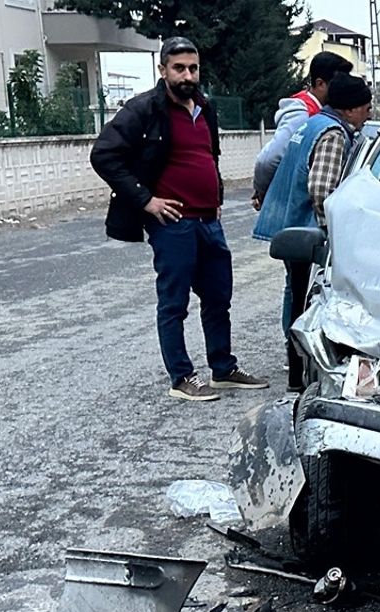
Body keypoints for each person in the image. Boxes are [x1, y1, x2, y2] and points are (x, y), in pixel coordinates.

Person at [91, 37, 268, 401]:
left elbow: (210, 156)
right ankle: (181, 377)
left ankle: (223, 369)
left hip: (208, 221)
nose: (188, 75)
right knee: (174, 302)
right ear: (163, 70)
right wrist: (146, 201)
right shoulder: (144, 110)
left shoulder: (205, 108)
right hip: (173, 224)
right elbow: (104, 154)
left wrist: (215, 196)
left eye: (193, 68)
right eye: (179, 68)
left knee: (219, 297)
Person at [253, 74, 372, 390]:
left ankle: (296, 370)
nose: (368, 114)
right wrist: (332, 232)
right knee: (310, 301)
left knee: (296, 296)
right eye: (365, 107)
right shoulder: (333, 134)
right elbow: (322, 189)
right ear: (348, 109)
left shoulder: (311, 123)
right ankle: (301, 370)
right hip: (308, 233)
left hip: (292, 227)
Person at [253, 52, 354, 208]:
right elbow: (269, 159)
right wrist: (263, 192)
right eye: (338, 83)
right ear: (320, 84)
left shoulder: (327, 113)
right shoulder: (303, 113)